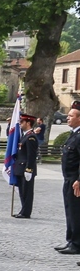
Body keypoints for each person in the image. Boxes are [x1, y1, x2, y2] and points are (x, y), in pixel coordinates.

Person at [58, 101, 80, 256]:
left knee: (76, 212)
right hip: (68, 179)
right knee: (69, 210)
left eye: (71, 116)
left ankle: (77, 244)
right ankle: (71, 240)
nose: (67, 118)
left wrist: (79, 179)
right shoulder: (73, 134)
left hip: (75, 180)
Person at [13, 114, 39, 218]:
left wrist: (29, 169)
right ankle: (23, 210)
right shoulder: (25, 136)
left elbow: (31, 155)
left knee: (27, 192)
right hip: (20, 167)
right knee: (22, 191)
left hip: (26, 168)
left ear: (28, 123)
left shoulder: (31, 137)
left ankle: (26, 212)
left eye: (22, 122)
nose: (20, 124)